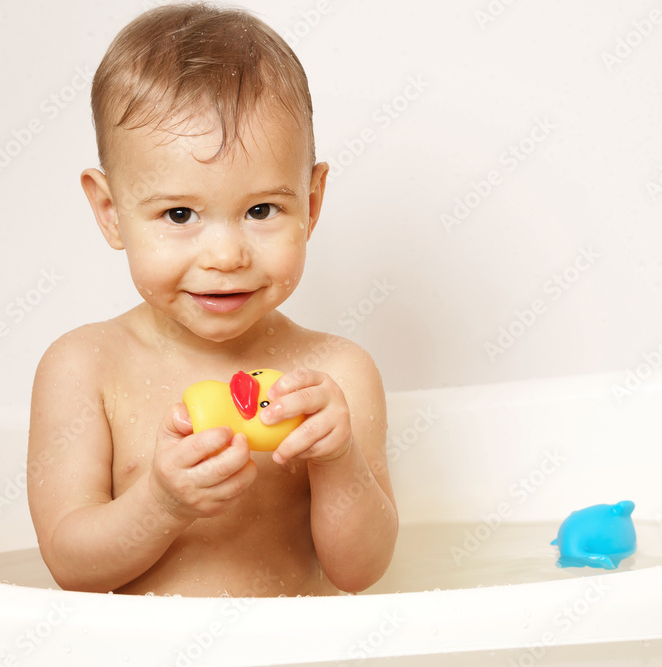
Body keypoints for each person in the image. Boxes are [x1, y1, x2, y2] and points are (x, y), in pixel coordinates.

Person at [26, 2, 398, 597]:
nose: (225, 256)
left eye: (261, 210)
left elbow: (360, 571)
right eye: (179, 214)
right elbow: (70, 565)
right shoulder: (83, 368)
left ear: (312, 202)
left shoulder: (335, 375)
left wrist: (338, 459)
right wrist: (160, 503)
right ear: (110, 213)